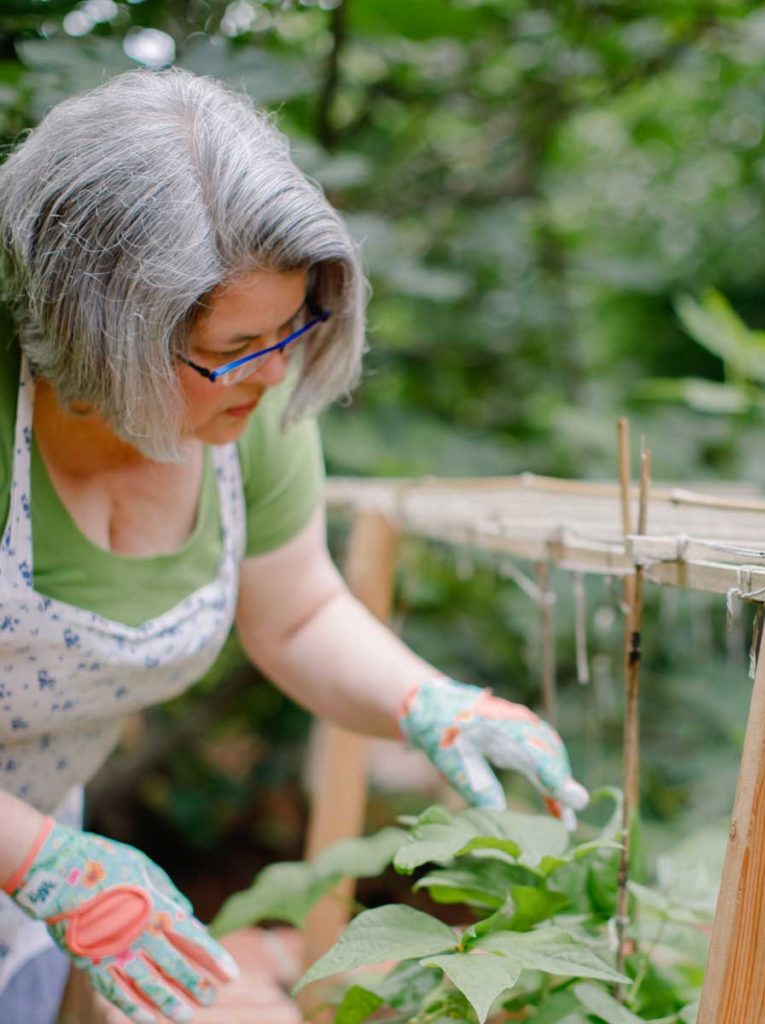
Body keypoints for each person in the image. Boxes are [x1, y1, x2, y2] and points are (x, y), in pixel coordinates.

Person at [0, 69, 588, 1024]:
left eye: (293, 327)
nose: (275, 373)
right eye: (234, 345)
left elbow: (297, 612)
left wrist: (423, 698)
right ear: (100, 334)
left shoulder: (247, 409)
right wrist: (35, 858)